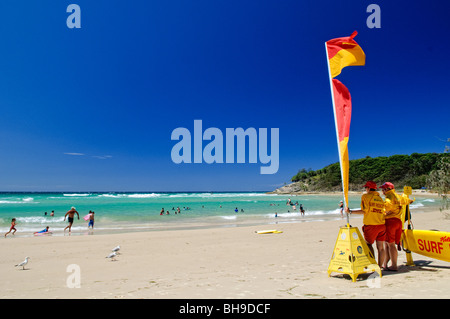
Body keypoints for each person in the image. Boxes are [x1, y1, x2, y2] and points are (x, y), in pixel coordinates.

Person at [346, 181, 386, 268]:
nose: (365, 189)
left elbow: (364, 211)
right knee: (381, 248)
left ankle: (373, 265)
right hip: (382, 225)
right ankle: (379, 266)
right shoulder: (380, 198)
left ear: (368, 188)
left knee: (368, 244)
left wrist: (351, 211)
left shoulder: (365, 196)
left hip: (371, 225)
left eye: (365, 188)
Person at [380, 182, 402, 271]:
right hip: (398, 221)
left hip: (390, 222)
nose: (382, 191)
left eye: (383, 189)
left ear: (387, 189)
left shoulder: (389, 198)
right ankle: (385, 264)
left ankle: (394, 265)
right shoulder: (398, 196)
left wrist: (383, 212)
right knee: (388, 244)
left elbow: (386, 209)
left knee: (391, 244)